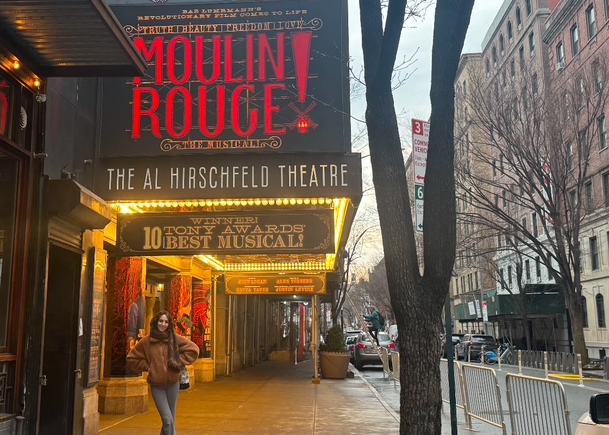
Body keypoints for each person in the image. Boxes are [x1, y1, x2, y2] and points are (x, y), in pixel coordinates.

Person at [127, 310, 199, 435]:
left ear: (169, 324)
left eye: (166, 322)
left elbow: (194, 350)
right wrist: (148, 367)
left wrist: (178, 362)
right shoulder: (146, 341)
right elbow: (132, 358)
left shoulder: (175, 339)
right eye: (161, 321)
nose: (163, 324)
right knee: (167, 420)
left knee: (171, 419)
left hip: (173, 384)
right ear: (156, 322)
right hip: (157, 385)